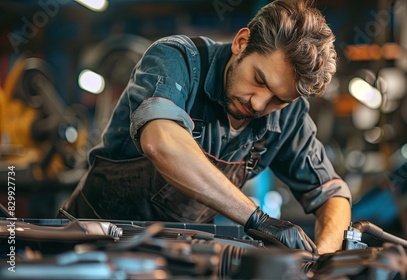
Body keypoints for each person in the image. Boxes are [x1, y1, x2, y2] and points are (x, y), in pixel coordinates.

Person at [61, 0, 351, 254]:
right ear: (242, 42)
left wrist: (321, 260)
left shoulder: (289, 116)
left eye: (279, 99)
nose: (260, 104)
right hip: (89, 245)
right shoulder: (177, 61)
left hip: (176, 258)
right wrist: (256, 219)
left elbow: (333, 195)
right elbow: (161, 142)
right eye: (260, 80)